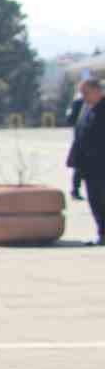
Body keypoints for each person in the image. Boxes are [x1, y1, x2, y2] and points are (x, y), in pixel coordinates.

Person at [69, 78, 105, 245]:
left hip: (101, 165)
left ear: (97, 91)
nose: (83, 97)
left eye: (86, 93)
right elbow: (80, 135)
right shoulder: (86, 108)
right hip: (89, 166)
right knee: (95, 202)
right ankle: (102, 234)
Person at [66, 80, 88, 200]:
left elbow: (70, 119)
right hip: (82, 139)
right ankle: (75, 190)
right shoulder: (78, 102)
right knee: (80, 166)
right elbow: (71, 120)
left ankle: (75, 190)